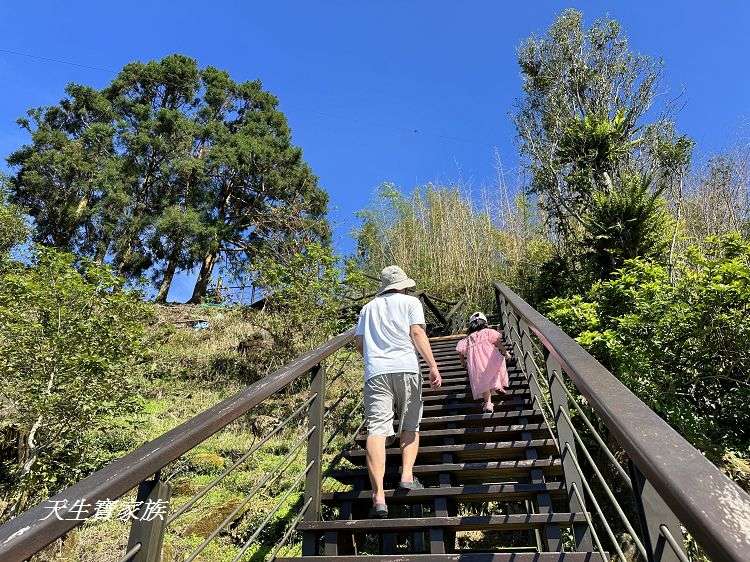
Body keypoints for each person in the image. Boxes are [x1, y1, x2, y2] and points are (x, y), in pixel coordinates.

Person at [355, 265, 442, 518]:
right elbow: (417, 332)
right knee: (410, 424)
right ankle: (406, 476)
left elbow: (360, 343)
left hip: (376, 373)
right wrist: (433, 366)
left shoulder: (366, 309)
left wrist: (375, 359)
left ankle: (379, 495)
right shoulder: (410, 302)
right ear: (402, 285)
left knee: (377, 430)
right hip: (406, 368)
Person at [456, 311, 511, 413]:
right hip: (491, 358)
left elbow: (460, 350)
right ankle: (497, 385)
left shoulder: (468, 339)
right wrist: (506, 353)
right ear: (485, 323)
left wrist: (463, 362)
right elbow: (498, 343)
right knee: (497, 367)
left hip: (476, 364)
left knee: (483, 381)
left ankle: (488, 403)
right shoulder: (488, 332)